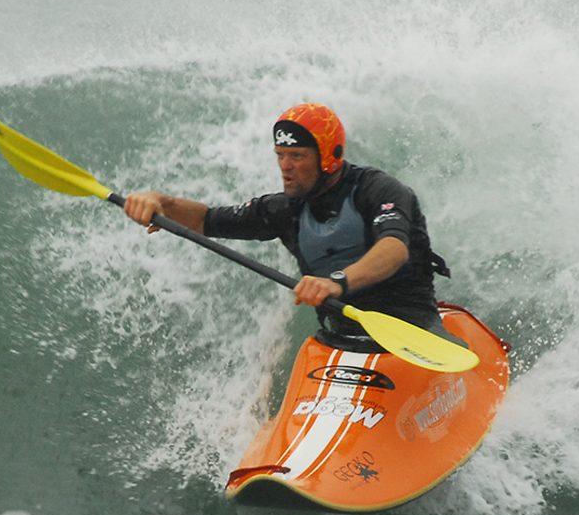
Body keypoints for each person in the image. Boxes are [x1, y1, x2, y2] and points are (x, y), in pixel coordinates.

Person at [122, 103, 453, 349]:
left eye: (296, 155)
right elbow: (206, 220)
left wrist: (336, 282)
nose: (285, 167)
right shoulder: (283, 210)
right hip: (340, 341)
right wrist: (161, 203)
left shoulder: (378, 190)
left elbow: (394, 249)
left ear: (329, 157)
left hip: (413, 332)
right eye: (280, 154)